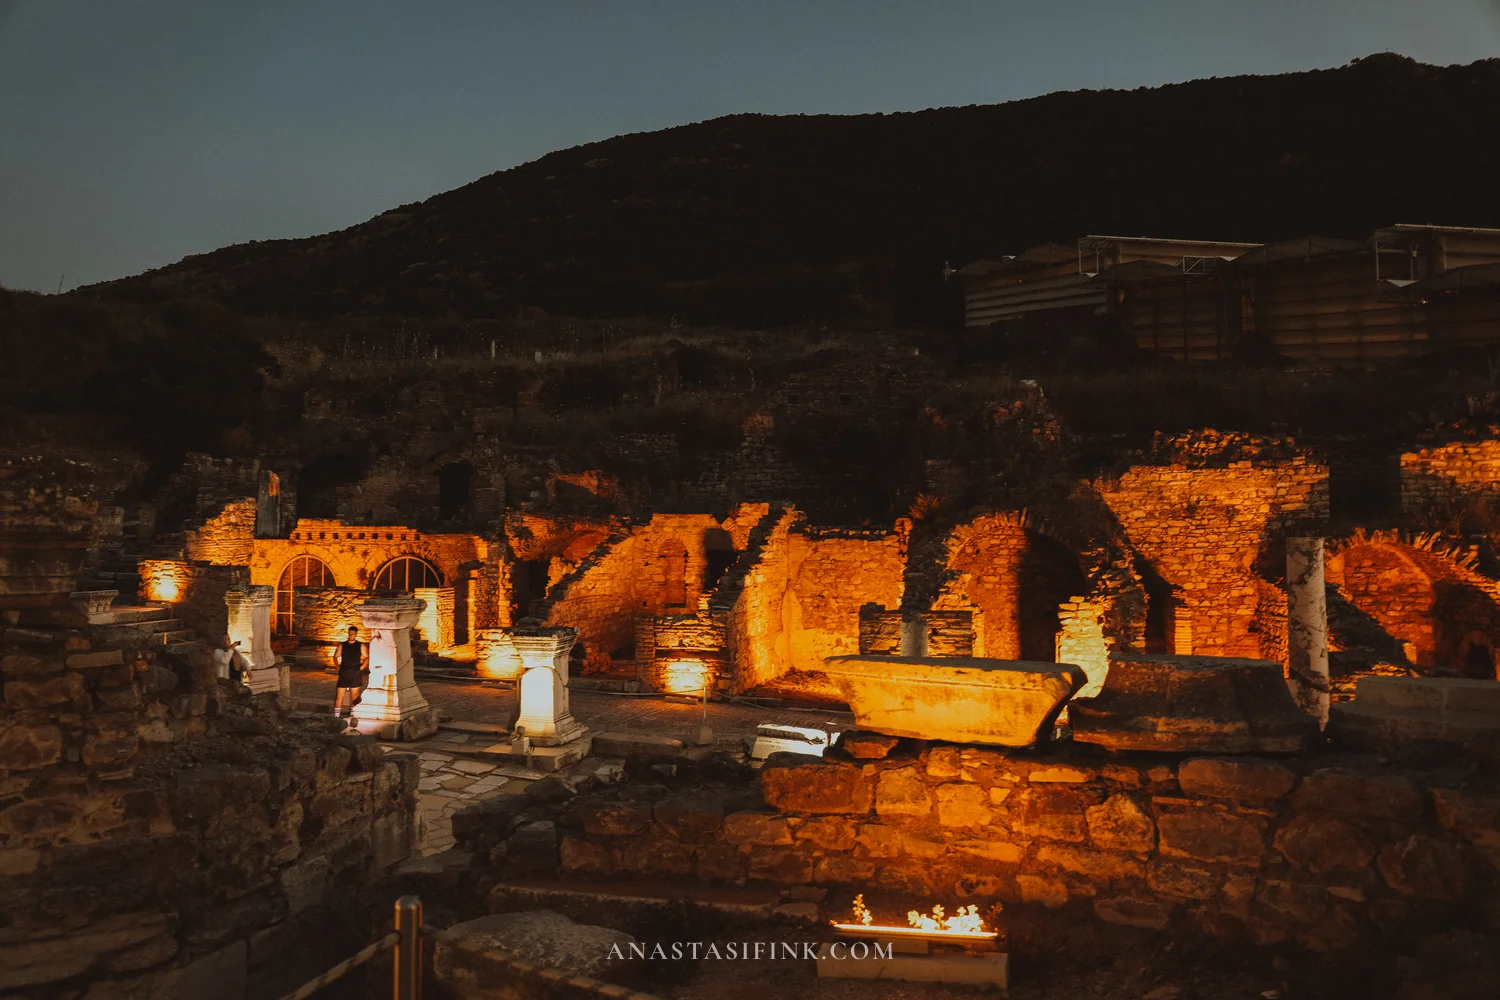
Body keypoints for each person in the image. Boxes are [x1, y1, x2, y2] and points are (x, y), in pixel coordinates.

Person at [335, 626, 367, 718]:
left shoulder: (360, 646)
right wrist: (337, 666)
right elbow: (336, 656)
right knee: (339, 696)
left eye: (352, 633)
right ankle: (336, 716)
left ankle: (353, 715)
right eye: (349, 633)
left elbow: (366, 657)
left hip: (355, 673)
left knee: (355, 696)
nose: (350, 635)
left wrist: (362, 668)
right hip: (344, 672)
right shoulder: (342, 645)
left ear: (356, 634)